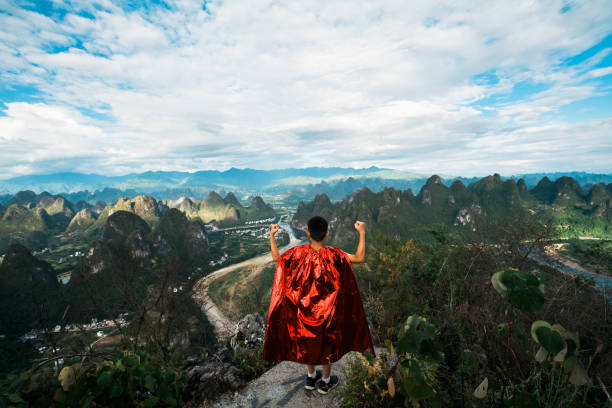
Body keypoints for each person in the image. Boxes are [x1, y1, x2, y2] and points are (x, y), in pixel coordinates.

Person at [263, 216, 374, 395]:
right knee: (326, 346)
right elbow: (359, 258)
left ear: (308, 233)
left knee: (309, 342)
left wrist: (272, 235)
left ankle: (311, 376)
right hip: (328, 313)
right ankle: (325, 381)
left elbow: (277, 258)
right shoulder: (335, 254)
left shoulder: (297, 253)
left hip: (304, 313)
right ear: (327, 234)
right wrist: (361, 233)